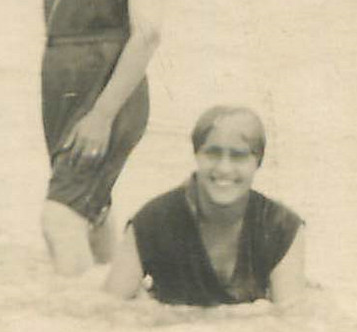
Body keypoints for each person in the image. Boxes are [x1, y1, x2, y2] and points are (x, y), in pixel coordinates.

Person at [40, 0, 169, 274]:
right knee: (90, 210)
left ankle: (75, 326)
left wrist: (101, 114)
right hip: (65, 94)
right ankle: (114, 314)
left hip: (106, 95)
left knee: (60, 216)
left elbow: (148, 33)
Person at [104, 106, 307, 306]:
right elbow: (106, 309)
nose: (224, 168)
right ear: (197, 155)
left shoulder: (281, 226)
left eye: (238, 156)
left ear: (258, 162)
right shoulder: (153, 220)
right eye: (213, 153)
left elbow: (290, 320)